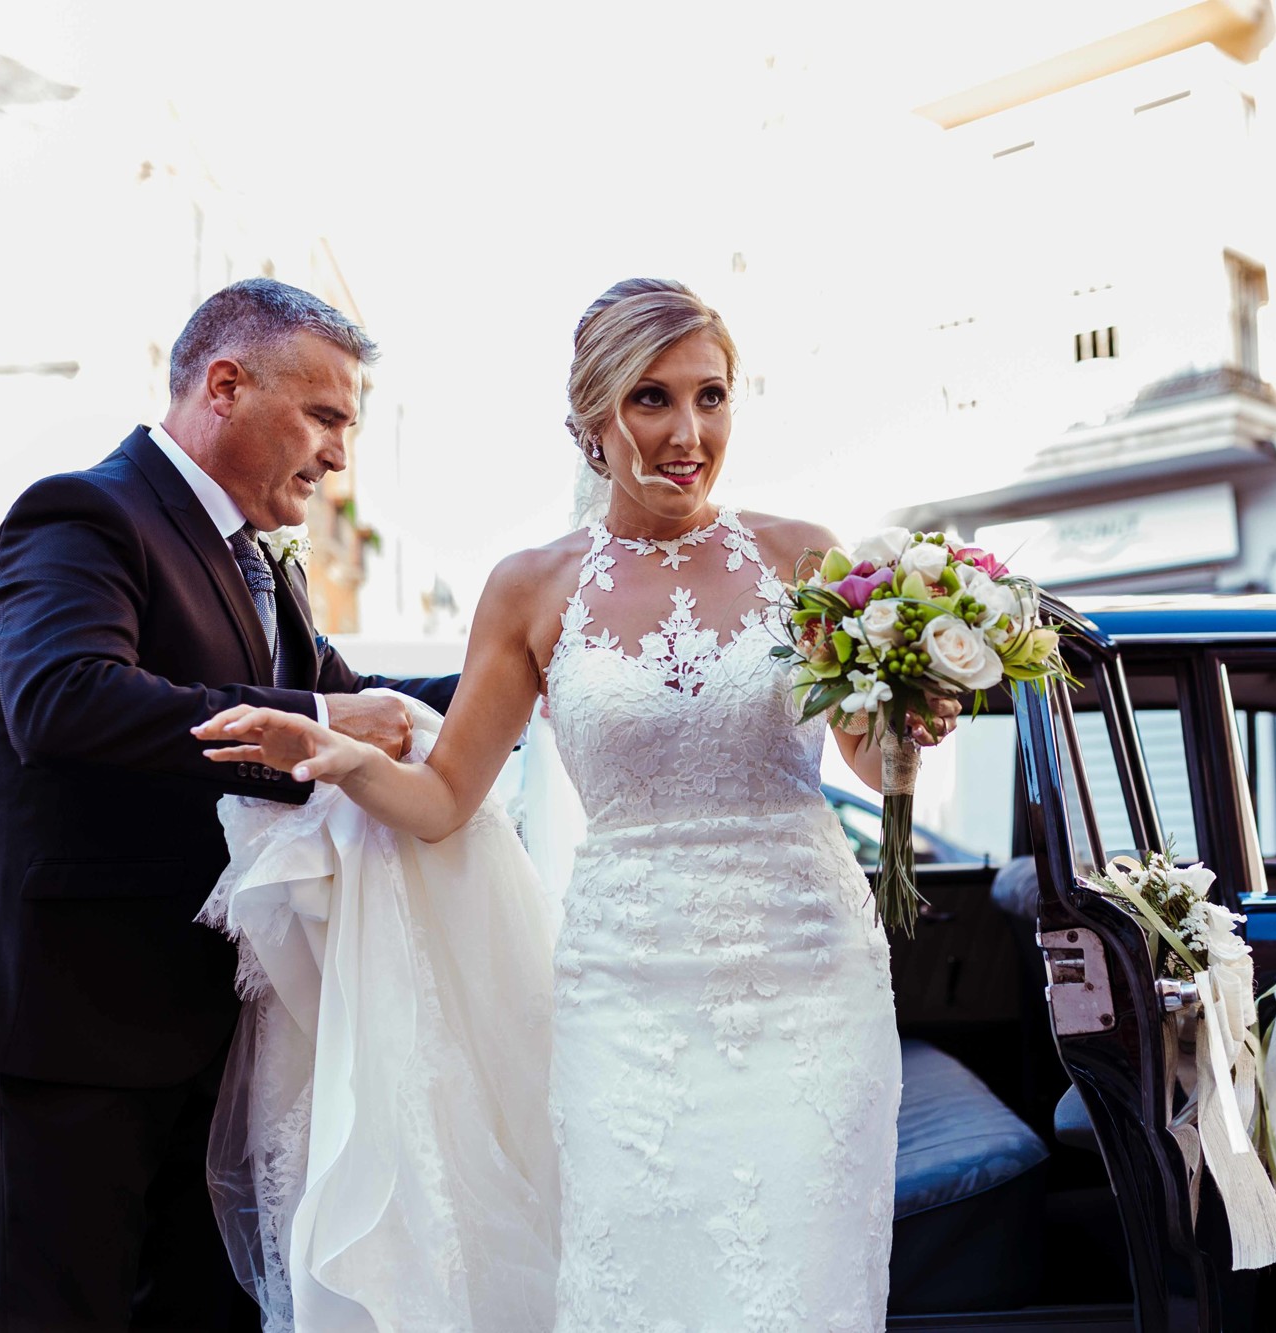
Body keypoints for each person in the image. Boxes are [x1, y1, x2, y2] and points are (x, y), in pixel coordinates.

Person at [195, 277, 958, 1330]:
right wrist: (327, 754)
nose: (688, 432)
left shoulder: (802, 557)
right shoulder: (530, 587)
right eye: (652, 399)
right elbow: (442, 798)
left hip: (808, 969)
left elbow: (872, 765)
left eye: (711, 396)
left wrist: (913, 717)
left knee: (800, 1274)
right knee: (636, 1274)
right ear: (591, 419)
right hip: (626, 986)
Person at [0, 278, 459, 1333]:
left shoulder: (261, 565)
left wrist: (530, 670)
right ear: (224, 385)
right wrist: (317, 719)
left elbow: (378, 708)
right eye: (326, 415)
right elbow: (65, 700)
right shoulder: (81, 513)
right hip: (62, 1025)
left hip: (202, 1029)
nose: (341, 454)